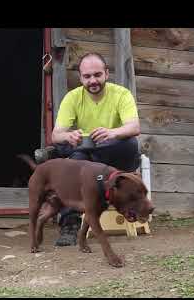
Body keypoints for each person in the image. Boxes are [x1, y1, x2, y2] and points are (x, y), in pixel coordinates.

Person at [36, 52, 141, 246]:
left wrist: (112, 133)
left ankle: (59, 156)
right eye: (87, 76)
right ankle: (69, 225)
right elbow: (56, 135)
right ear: (81, 77)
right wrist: (68, 136)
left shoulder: (121, 94)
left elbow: (134, 128)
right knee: (75, 159)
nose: (93, 80)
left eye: (97, 75)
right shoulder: (73, 97)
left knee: (129, 143)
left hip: (115, 158)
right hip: (86, 162)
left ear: (106, 74)